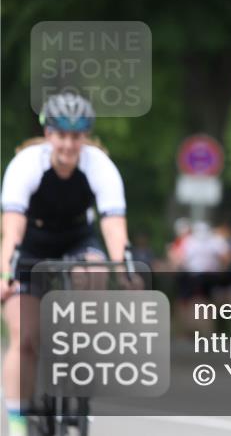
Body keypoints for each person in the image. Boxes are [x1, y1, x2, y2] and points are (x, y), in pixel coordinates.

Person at [0, 94, 133, 436]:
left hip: (77, 238)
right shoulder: (26, 165)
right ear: (48, 134)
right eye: (62, 135)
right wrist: (5, 273)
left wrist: (124, 269)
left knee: (95, 270)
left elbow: (113, 227)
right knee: (25, 337)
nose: (69, 145)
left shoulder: (99, 166)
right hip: (31, 242)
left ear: (85, 136)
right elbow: (12, 229)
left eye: (76, 136)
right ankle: (18, 423)